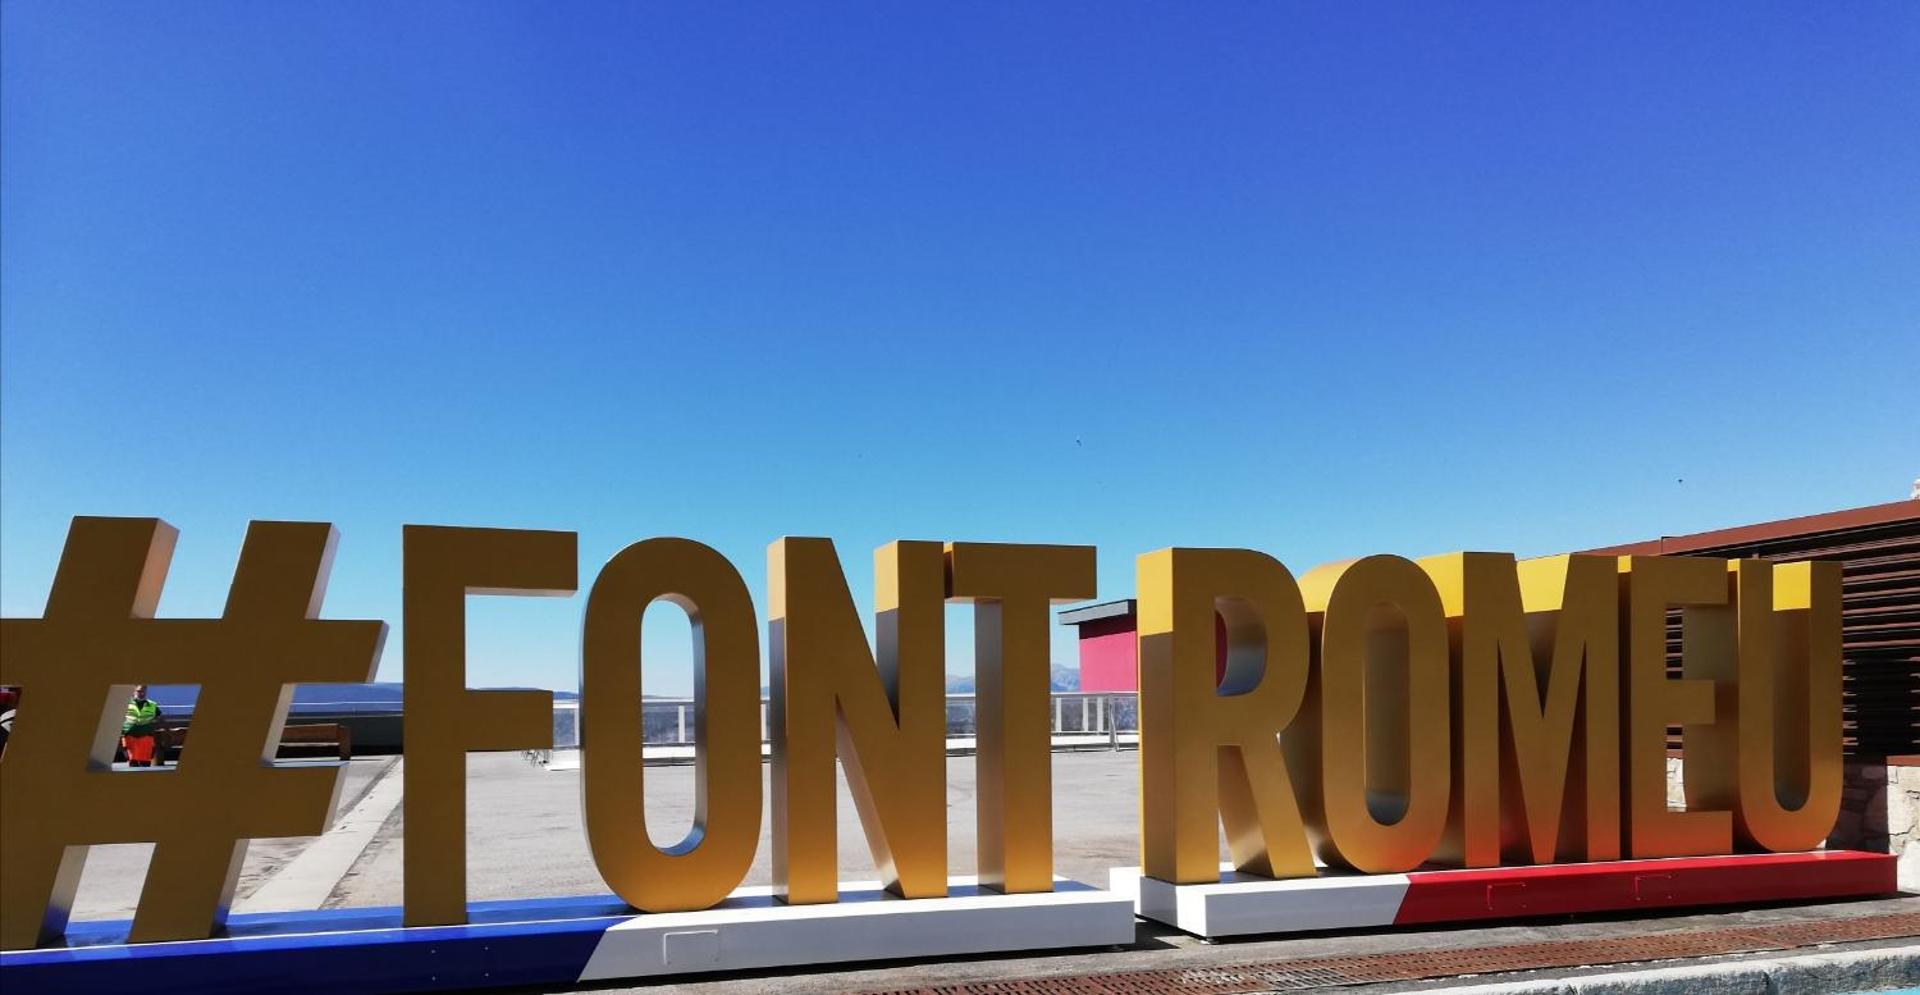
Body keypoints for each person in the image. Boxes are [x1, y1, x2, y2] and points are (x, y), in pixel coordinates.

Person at [122, 684, 164, 768]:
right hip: (130, 736)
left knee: (145, 763)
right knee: (133, 763)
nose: (141, 693)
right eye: (139, 691)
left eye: (143, 691)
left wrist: (165, 730)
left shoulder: (152, 704)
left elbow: (160, 718)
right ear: (134, 692)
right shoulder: (125, 704)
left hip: (146, 737)